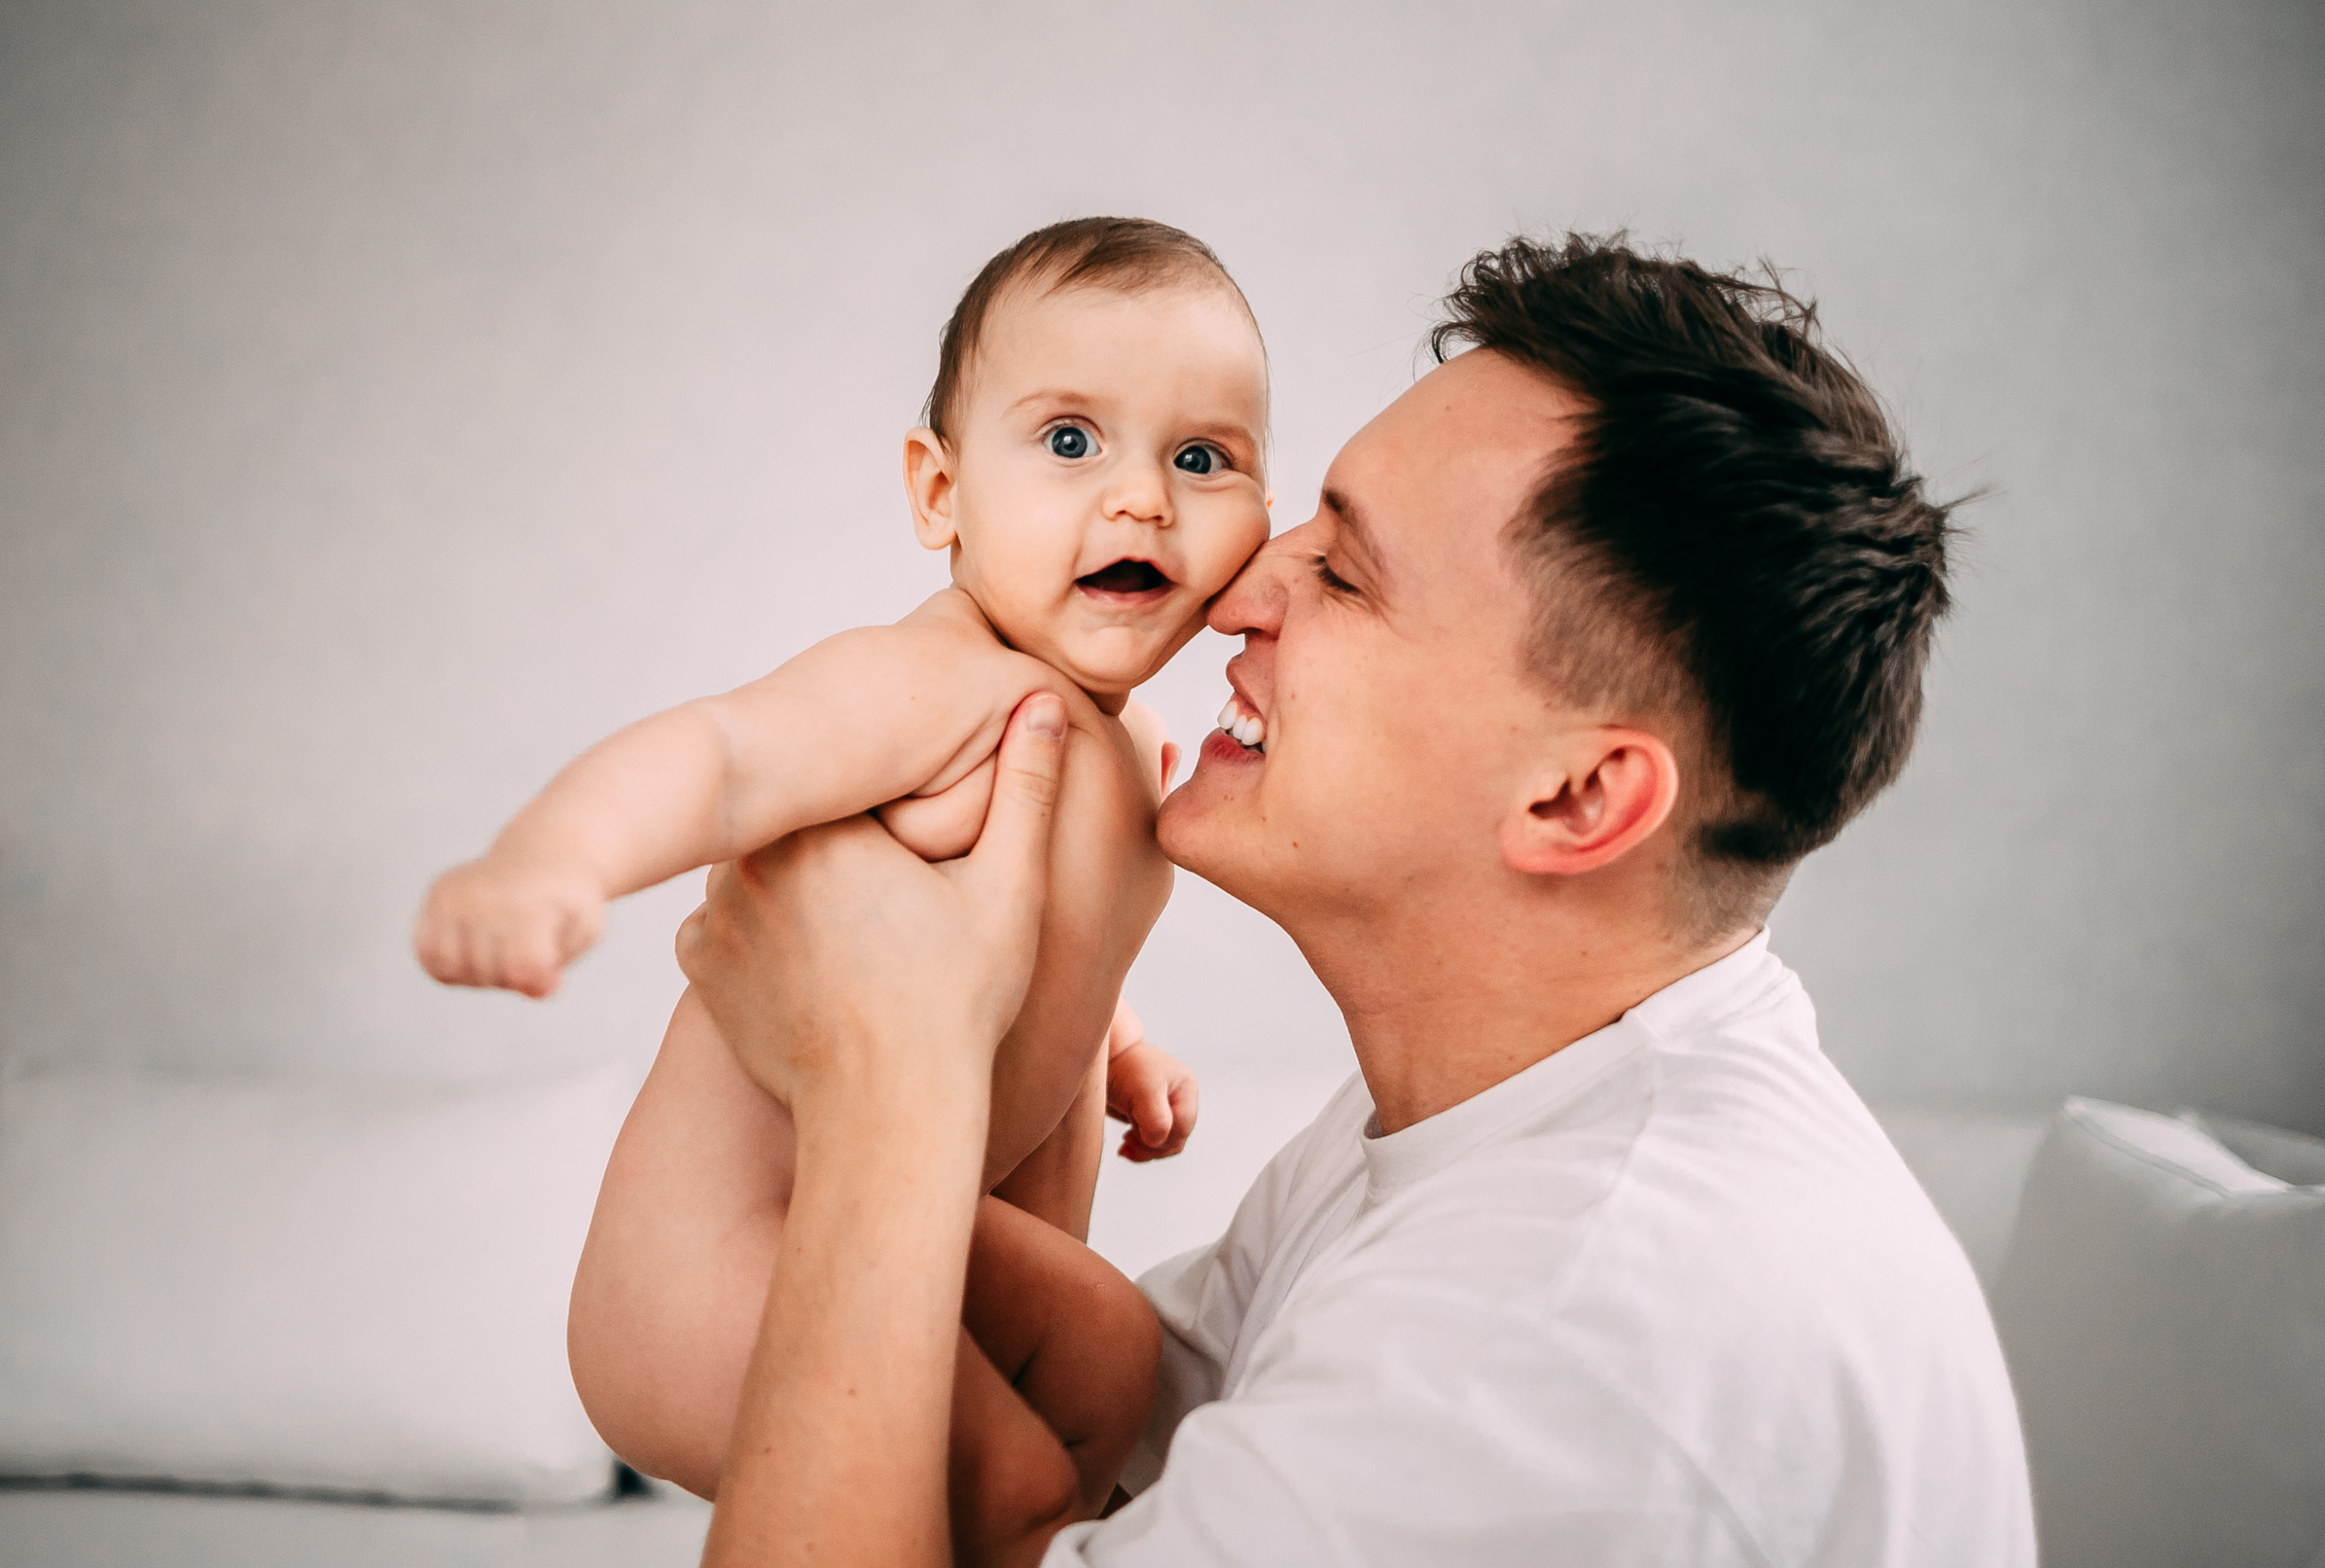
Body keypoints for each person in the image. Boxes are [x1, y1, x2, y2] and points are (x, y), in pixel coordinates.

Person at [668, 232, 2039, 1565]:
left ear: (1576, 799)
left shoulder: (1559, 1337)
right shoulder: (1476, 1122)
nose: (1231, 593)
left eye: (1341, 572)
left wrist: (884, 1078)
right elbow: (1044, 1489)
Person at [416, 219, 1274, 1555]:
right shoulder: (933, 680)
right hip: (719, 1259)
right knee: (1011, 1489)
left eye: (1203, 458)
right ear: (939, 494)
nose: (1143, 500)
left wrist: (1118, 1041)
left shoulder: (1139, 744)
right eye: (1068, 442)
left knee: (1117, 1359)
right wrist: (554, 860)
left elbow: (1045, 929)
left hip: (888, 1228)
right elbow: (724, 753)